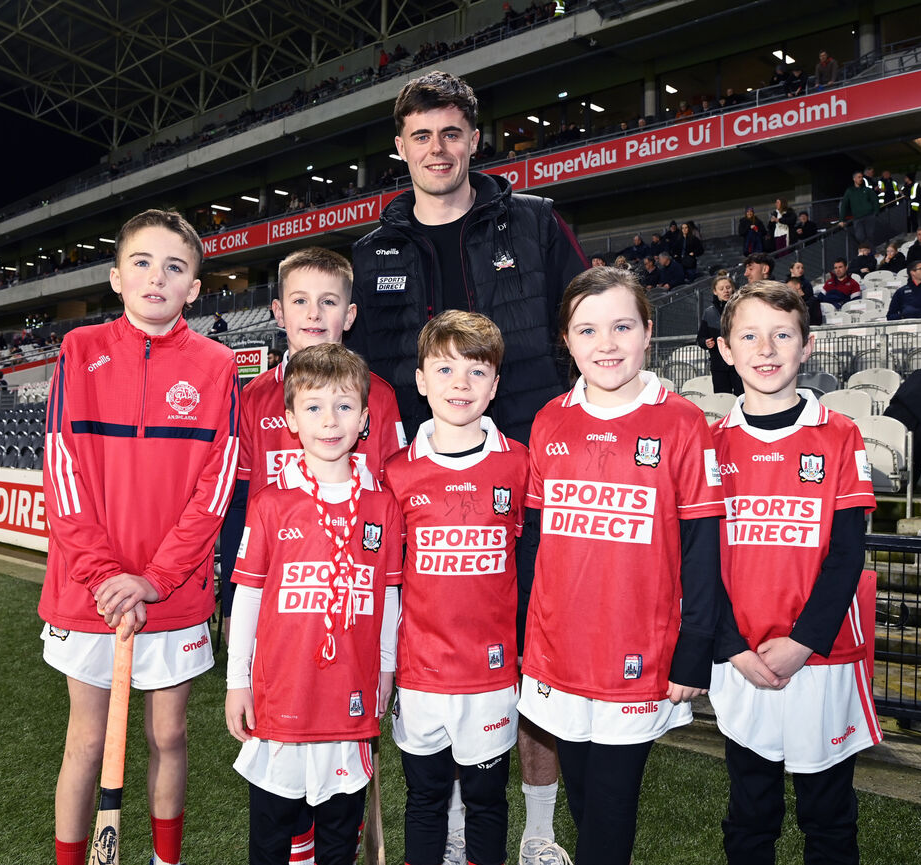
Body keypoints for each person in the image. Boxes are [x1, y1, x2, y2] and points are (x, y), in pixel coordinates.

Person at [350, 69, 585, 865]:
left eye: (451, 132)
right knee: (430, 659)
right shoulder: (371, 250)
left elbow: (584, 325)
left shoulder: (537, 223)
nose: (437, 148)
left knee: (533, 658)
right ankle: (446, 834)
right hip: (417, 487)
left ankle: (541, 831)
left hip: (523, 481)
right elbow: (356, 375)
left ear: (475, 139)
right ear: (400, 148)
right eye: (421, 136)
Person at [39, 209, 240, 865]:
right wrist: (104, 578)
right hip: (85, 594)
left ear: (195, 288)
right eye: (143, 262)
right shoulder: (78, 350)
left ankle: (165, 859)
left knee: (169, 734)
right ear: (116, 277)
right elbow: (62, 472)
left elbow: (217, 484)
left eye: (176, 266)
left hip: (172, 594)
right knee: (86, 742)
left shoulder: (216, 365)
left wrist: (154, 578)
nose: (158, 277)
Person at [519, 267, 724, 865]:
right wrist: (525, 637)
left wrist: (694, 648)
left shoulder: (682, 421)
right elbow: (533, 544)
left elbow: (703, 547)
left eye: (621, 326)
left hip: (639, 654)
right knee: (583, 798)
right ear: (567, 340)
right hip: (557, 651)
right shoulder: (550, 420)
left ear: (648, 332)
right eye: (587, 329)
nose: (605, 344)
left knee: (610, 809)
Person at [217, 249, 405, 798]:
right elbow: (239, 506)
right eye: (300, 300)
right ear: (278, 310)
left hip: (354, 611)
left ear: (350, 314)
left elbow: (391, 510)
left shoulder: (380, 399)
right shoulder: (254, 399)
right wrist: (233, 605)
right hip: (281, 614)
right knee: (281, 769)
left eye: (329, 301)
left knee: (340, 774)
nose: (314, 312)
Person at [711, 280, 881, 865]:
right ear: (725, 350)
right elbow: (700, 562)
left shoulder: (840, 435)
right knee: (750, 815)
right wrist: (733, 648)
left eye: (782, 335)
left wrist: (802, 642)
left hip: (823, 656)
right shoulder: (710, 446)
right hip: (742, 660)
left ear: (806, 347)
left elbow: (845, 554)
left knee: (828, 817)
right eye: (749, 335)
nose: (766, 348)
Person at [226, 343, 403, 865]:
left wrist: (385, 672)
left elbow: (388, 598)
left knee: (337, 844)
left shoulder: (382, 507)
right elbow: (249, 596)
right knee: (270, 842)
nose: (330, 421)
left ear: (366, 419)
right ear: (290, 419)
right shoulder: (270, 504)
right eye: (314, 407)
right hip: (282, 699)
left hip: (349, 702)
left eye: (345, 406)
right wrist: (239, 680)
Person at [383, 311, 527, 865]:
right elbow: (389, 582)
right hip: (420, 673)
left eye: (476, 370)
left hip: (491, 672)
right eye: (444, 370)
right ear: (421, 381)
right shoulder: (397, 472)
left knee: (487, 801)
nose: (460, 384)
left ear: (495, 384)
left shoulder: (519, 464)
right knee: (425, 798)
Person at [698, 274, 744, 395]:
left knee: (742, 396)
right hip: (718, 366)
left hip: (739, 362)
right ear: (715, 291)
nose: (726, 291)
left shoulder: (741, 309)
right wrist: (706, 343)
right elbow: (700, 338)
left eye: (728, 287)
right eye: (721, 289)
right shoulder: (709, 313)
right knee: (721, 397)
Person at [838, 171, 878, 245]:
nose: (861, 179)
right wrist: (841, 220)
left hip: (869, 216)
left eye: (861, 177)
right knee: (860, 236)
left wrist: (876, 212)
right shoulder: (850, 191)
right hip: (857, 218)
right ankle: (866, 252)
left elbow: (875, 200)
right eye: (859, 177)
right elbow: (844, 205)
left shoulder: (867, 190)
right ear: (854, 179)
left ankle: (872, 253)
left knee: (870, 235)